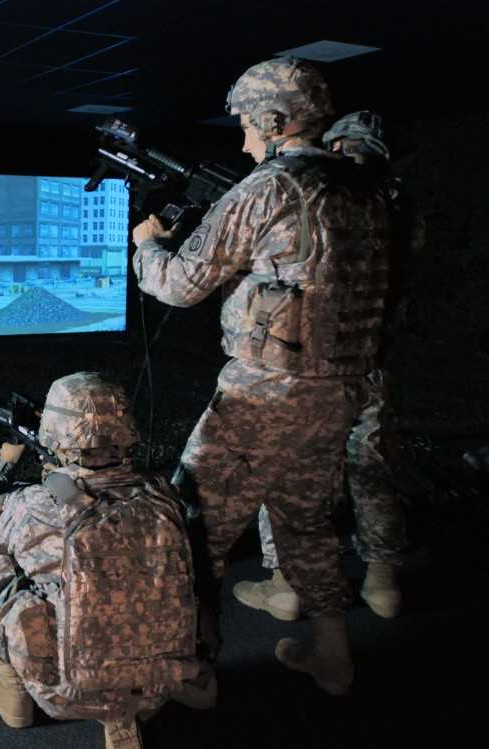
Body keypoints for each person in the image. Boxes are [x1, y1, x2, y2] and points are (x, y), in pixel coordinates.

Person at [130, 57, 392, 695]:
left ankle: (191, 671)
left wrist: (148, 246)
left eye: (248, 125)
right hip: (339, 392)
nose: (244, 140)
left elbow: (180, 284)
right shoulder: (365, 189)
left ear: (275, 122)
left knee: (194, 523)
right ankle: (333, 655)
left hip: (266, 395)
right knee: (305, 520)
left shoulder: (270, 187)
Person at [235, 111, 425, 622]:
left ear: (337, 146)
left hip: (310, 367)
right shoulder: (395, 203)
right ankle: (382, 582)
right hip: (373, 361)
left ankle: (286, 584)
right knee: (372, 468)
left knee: (287, 469)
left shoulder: (325, 197)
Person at [0, 372, 213, 749]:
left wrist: (5, 465)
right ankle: (133, 709)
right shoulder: (164, 497)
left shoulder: (33, 506)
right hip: (161, 683)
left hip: (67, 693)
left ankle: (13, 691)